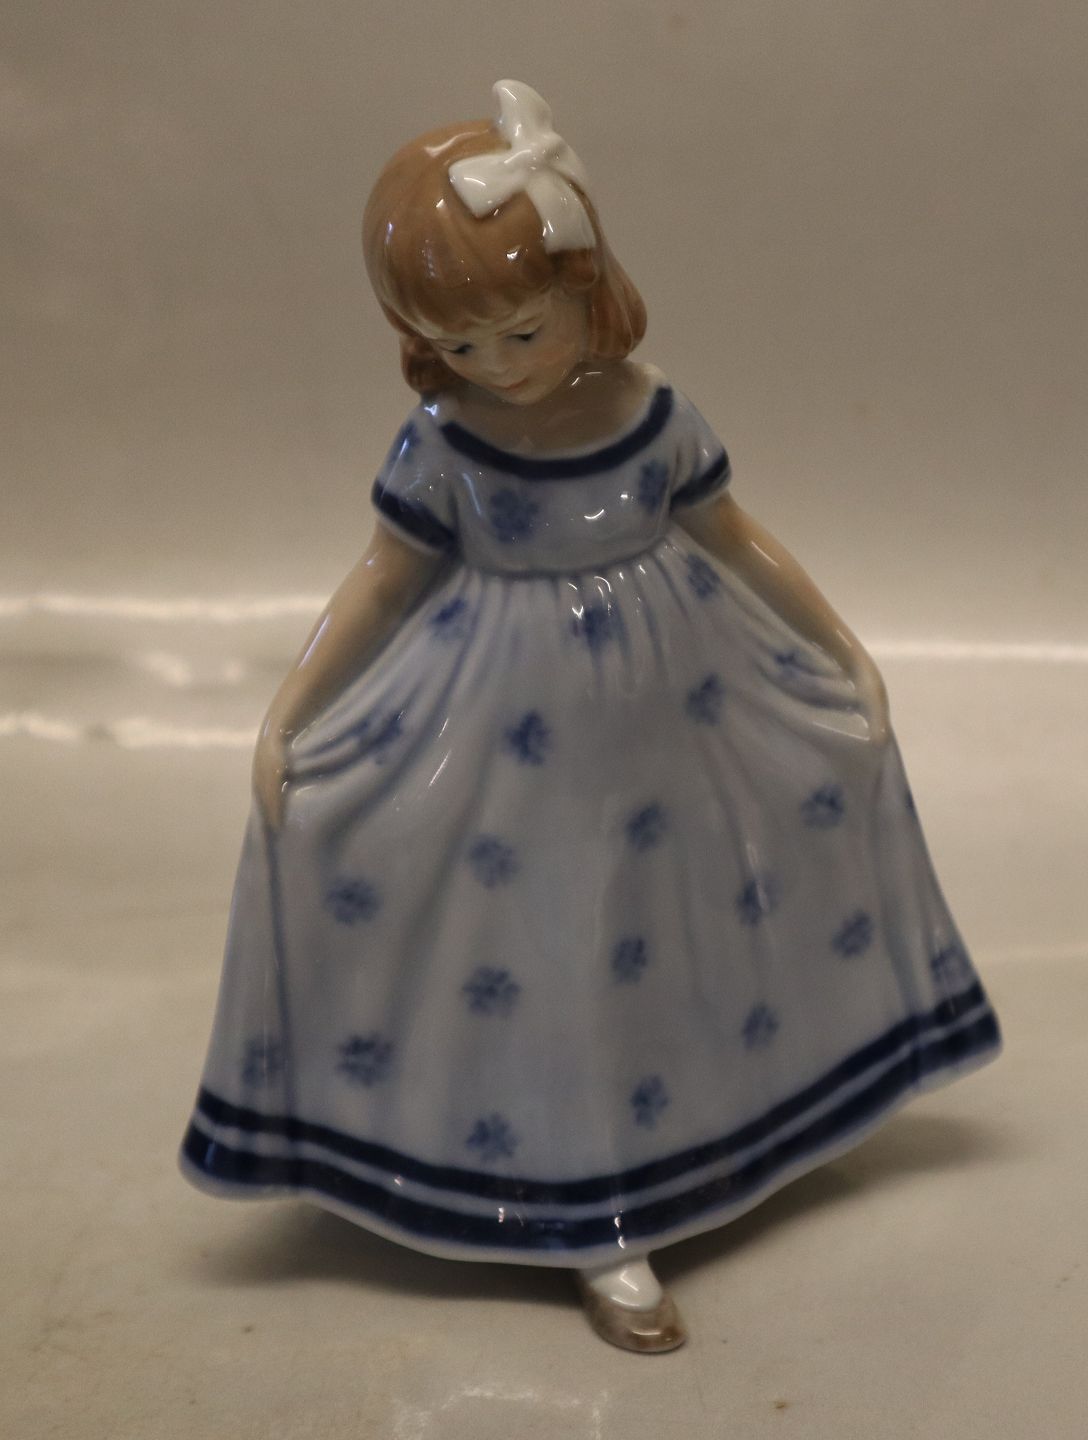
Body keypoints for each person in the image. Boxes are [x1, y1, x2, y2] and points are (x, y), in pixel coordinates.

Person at [181, 80, 1001, 1354]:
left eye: (521, 329)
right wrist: (293, 705)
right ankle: (584, 1200)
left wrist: (837, 644)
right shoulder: (444, 443)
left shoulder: (652, 415)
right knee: (548, 934)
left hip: (679, 699)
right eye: (461, 346)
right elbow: (384, 580)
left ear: (585, 286)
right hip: (504, 719)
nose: (498, 365)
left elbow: (733, 535)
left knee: (675, 915)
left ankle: (731, 1117)